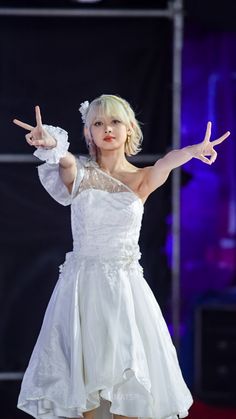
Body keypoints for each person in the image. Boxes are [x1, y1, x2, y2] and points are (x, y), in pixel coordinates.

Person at [13, 94, 230, 419]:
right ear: (89, 133)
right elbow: (67, 163)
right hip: (81, 293)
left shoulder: (141, 178)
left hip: (124, 294)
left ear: (129, 129)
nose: (107, 129)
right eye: (98, 123)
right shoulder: (81, 174)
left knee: (127, 387)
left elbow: (167, 162)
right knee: (84, 387)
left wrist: (192, 151)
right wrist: (51, 146)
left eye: (114, 121)